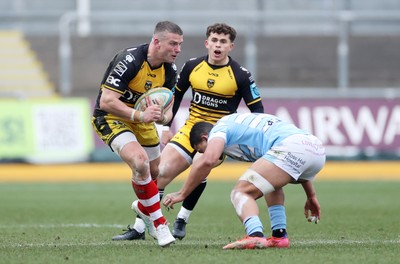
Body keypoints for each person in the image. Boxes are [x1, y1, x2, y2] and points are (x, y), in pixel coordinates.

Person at [112, 22, 265, 241]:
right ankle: (139, 228)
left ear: (231, 46)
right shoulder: (192, 66)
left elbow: (257, 111)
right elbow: (173, 99)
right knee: (161, 172)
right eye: (214, 40)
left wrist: (248, 138)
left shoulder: (241, 75)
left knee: (200, 166)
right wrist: (165, 127)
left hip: (217, 135)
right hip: (189, 129)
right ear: (207, 43)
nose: (218, 45)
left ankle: (182, 217)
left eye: (223, 41)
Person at [163, 113, 326, 249]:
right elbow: (296, 153)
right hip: (315, 150)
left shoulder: (219, 128)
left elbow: (208, 159)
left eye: (201, 149)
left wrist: (182, 194)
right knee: (268, 185)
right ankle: (279, 236)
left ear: (206, 137)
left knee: (240, 192)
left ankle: (255, 234)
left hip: (291, 147)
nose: (203, 153)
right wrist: (311, 195)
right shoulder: (237, 126)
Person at [91, 21, 183, 247]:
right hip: (111, 117)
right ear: (156, 42)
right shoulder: (130, 60)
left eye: (180, 44)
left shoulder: (170, 70)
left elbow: (168, 113)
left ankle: (143, 208)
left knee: (155, 173)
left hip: (142, 121)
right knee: (140, 162)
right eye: (173, 44)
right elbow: (107, 100)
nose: (178, 49)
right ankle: (159, 225)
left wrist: (160, 117)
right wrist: (141, 116)